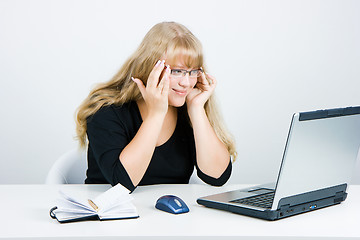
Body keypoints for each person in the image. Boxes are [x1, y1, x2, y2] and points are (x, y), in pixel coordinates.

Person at [75, 22, 237, 192]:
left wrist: (196, 109)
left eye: (193, 71)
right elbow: (122, 184)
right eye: (176, 71)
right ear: (150, 67)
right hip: (111, 213)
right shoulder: (106, 109)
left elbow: (217, 177)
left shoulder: (186, 107)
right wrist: (156, 114)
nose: (186, 82)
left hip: (168, 216)